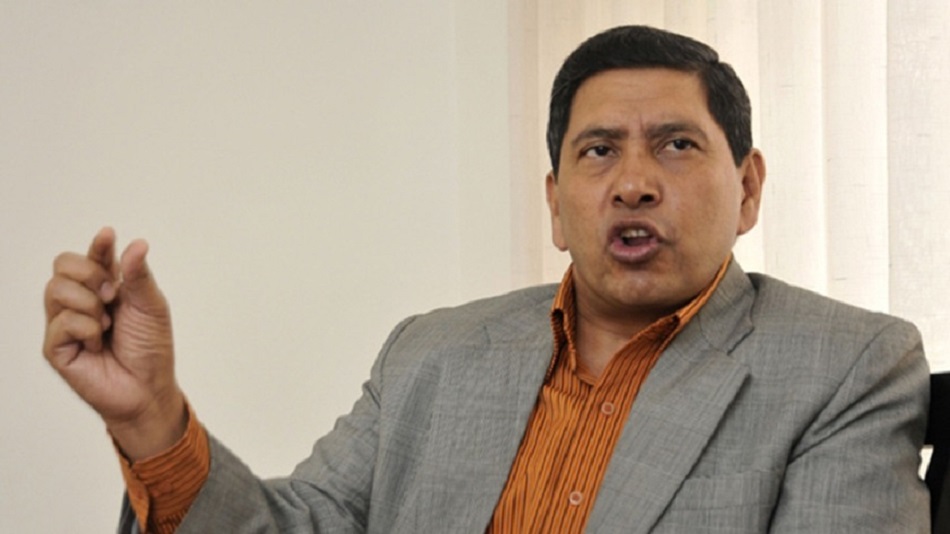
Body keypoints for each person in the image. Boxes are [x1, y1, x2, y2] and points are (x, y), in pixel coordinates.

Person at [43, 25, 929, 533]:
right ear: (556, 205)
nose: (633, 182)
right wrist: (150, 417)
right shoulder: (432, 353)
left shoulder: (847, 366)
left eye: (676, 144)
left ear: (748, 189)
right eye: (598, 150)